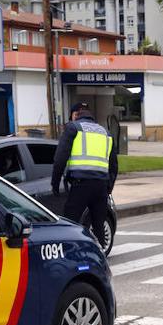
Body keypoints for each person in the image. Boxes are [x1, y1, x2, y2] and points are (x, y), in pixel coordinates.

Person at [51, 102, 117, 243]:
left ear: (76, 116)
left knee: (70, 224)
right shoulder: (106, 133)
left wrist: (55, 184)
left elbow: (59, 159)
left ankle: (70, 256)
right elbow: (114, 166)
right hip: (100, 187)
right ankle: (98, 257)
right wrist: (108, 187)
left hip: (80, 186)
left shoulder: (73, 128)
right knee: (98, 227)